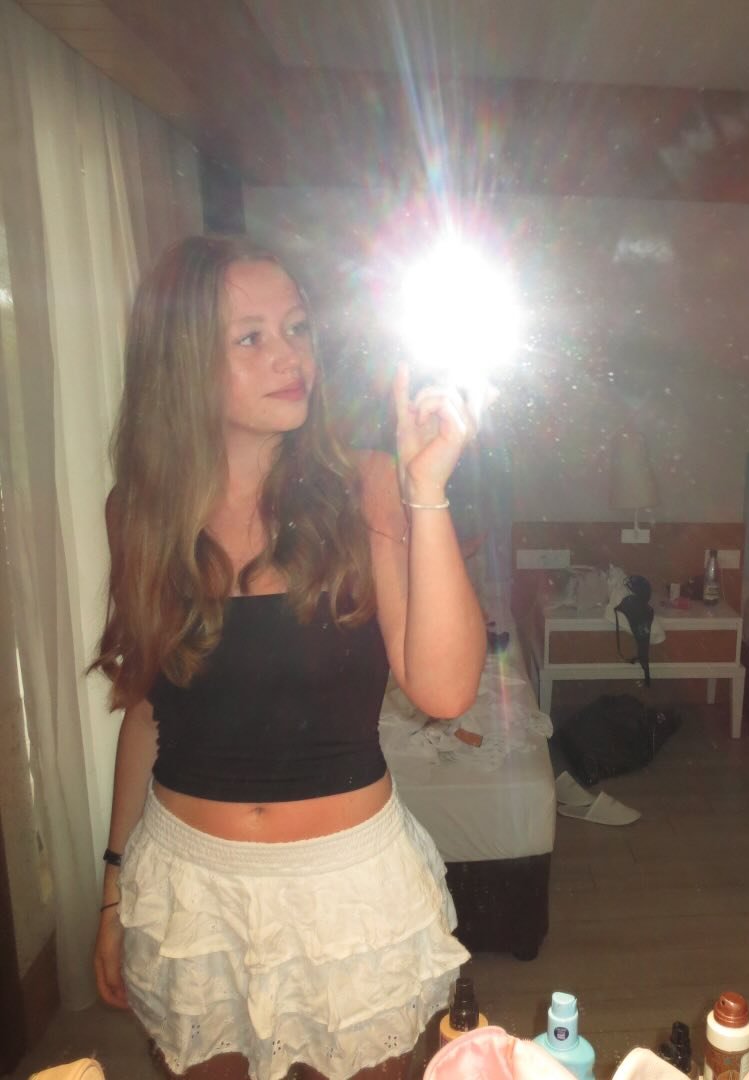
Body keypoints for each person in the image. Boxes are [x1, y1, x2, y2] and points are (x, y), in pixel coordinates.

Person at [89, 234, 487, 1080]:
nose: (290, 356)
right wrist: (114, 888)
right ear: (183, 363)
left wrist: (426, 488)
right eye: (252, 337)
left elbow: (447, 690)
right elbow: (148, 708)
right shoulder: (139, 512)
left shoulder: (367, 483)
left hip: (348, 890)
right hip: (189, 890)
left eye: (298, 328)